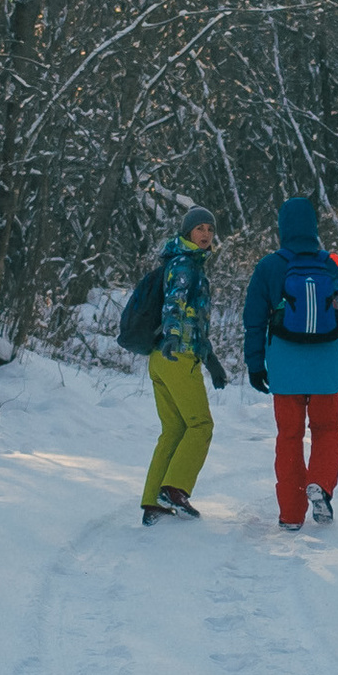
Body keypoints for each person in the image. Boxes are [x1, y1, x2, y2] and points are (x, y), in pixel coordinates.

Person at [242, 197, 338, 529]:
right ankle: (320, 483)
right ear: (314, 227)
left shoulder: (269, 266)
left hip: (285, 370)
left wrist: (255, 365)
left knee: (289, 437)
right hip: (327, 368)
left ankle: (291, 515)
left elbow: (254, 322)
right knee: (328, 430)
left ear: (282, 228)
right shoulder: (334, 266)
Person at [141, 206, 228, 525]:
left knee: (174, 430)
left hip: (161, 358)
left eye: (210, 229)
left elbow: (194, 319)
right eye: (199, 228)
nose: (205, 234)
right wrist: (173, 337)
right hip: (176, 355)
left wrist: (210, 358)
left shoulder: (181, 261)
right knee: (201, 425)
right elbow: (174, 305)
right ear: (187, 231)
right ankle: (174, 489)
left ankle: (153, 502)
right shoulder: (185, 265)